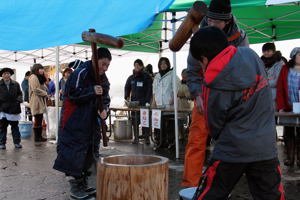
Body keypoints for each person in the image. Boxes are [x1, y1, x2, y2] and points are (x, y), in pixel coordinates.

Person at [190, 26, 284, 200]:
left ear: (203, 59)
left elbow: (214, 124)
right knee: (271, 196)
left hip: (232, 149)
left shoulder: (213, 83)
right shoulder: (251, 56)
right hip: (265, 146)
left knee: (210, 194)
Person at [182, 0, 249, 187]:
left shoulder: (239, 38)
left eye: (216, 22)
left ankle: (220, 187)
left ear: (227, 21)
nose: (211, 24)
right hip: (204, 95)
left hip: (230, 97)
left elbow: (244, 70)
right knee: (196, 141)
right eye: (209, 20)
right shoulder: (200, 35)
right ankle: (190, 187)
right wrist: (198, 95)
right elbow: (193, 72)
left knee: (228, 143)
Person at [53, 47, 111, 200]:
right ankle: (75, 187)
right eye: (103, 64)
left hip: (90, 121)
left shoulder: (103, 78)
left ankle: (83, 184)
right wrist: (92, 90)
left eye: (107, 66)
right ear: (94, 59)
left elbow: (105, 97)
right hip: (74, 120)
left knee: (89, 152)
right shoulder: (81, 72)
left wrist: (104, 110)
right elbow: (72, 94)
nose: (104, 68)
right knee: (74, 152)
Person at [277, 47, 300, 166]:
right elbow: (280, 87)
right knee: (289, 133)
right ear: (294, 56)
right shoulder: (285, 69)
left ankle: (299, 159)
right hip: (288, 106)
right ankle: (290, 158)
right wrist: (281, 105)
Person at [152, 57, 180, 149]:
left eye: (165, 63)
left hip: (169, 104)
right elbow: (154, 90)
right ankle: (160, 142)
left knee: (170, 125)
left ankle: (171, 143)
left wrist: (173, 97)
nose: (163, 65)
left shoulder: (172, 75)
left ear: (168, 64)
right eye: (161, 63)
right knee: (159, 124)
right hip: (159, 104)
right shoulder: (157, 76)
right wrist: (154, 101)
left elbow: (177, 88)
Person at [124, 59, 152, 144]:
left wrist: (147, 101)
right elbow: (127, 87)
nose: (136, 67)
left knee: (145, 121)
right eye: (135, 65)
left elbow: (149, 89)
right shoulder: (131, 78)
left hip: (143, 103)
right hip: (134, 104)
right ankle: (136, 138)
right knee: (134, 121)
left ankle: (146, 138)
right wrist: (127, 96)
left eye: (138, 65)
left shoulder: (146, 77)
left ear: (142, 66)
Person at [0, 68, 23, 149]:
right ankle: (2, 143)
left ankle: (17, 142)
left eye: (8, 73)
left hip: (14, 108)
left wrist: (18, 100)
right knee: (3, 127)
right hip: (3, 109)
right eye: (4, 74)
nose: (6, 75)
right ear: (2, 75)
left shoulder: (16, 84)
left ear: (10, 75)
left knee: (15, 127)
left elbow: (20, 94)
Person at [261, 42, 286, 108]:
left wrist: (263, 80)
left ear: (274, 51)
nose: (266, 53)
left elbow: (276, 82)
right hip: (262, 96)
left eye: (268, 51)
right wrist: (268, 78)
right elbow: (256, 78)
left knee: (272, 116)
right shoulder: (261, 61)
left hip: (274, 97)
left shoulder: (279, 63)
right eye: (264, 51)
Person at [29, 64, 48, 142]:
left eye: (42, 69)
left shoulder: (38, 77)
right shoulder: (33, 77)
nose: (41, 70)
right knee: (38, 118)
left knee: (39, 118)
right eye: (40, 69)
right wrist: (45, 93)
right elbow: (35, 89)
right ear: (36, 69)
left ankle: (39, 136)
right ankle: (37, 137)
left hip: (40, 99)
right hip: (36, 100)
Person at [177, 69, 193, 140]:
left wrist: (183, 95)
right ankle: (181, 135)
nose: (185, 75)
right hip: (180, 106)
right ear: (181, 75)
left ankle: (189, 135)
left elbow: (191, 95)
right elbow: (177, 93)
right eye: (184, 74)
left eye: (187, 74)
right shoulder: (178, 83)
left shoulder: (192, 84)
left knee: (190, 122)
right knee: (180, 122)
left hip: (190, 107)